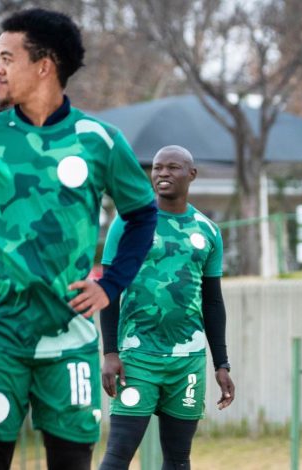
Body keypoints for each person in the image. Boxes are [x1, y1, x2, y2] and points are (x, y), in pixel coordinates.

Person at [0, 8, 158, 470]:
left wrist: (110, 283)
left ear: (44, 65)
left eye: (6, 57)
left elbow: (142, 215)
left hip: (69, 339)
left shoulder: (98, 140)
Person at [98, 145, 235, 469]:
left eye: (172, 168)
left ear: (191, 175)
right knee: (118, 455)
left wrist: (222, 363)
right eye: (157, 168)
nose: (162, 174)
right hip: (137, 358)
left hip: (186, 362)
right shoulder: (129, 221)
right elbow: (110, 290)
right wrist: (110, 353)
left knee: (177, 459)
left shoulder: (207, 230)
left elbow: (213, 301)